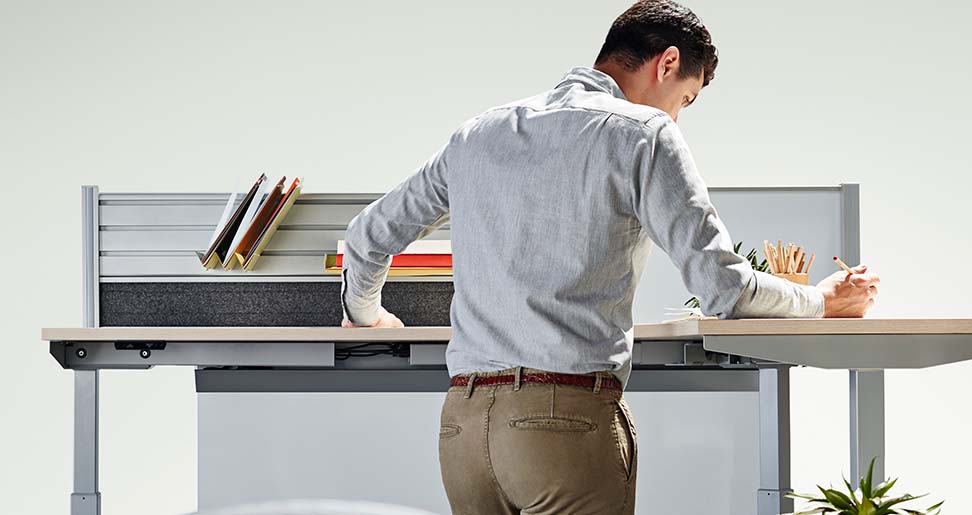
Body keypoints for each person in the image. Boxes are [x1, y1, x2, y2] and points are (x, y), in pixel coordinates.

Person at [339, 0, 881, 513]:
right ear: (667, 63)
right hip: (563, 425)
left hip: (463, 427)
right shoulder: (644, 135)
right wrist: (822, 301)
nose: (679, 116)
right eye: (686, 98)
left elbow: (367, 235)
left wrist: (369, 315)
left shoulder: (477, 134)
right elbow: (725, 289)